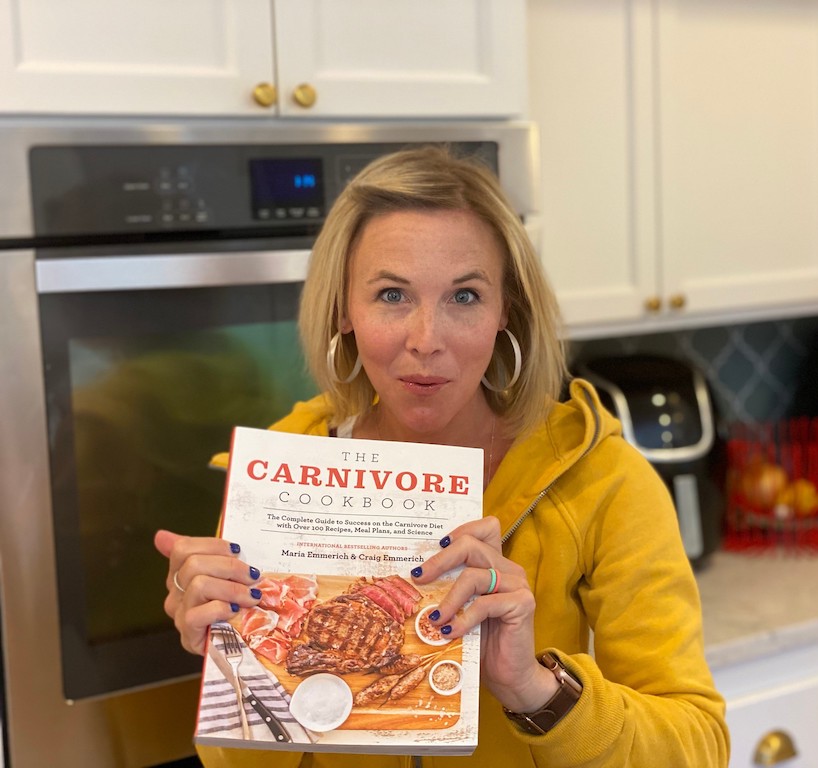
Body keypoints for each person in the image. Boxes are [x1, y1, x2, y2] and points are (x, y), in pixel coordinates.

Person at [155, 145, 729, 767]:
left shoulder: (604, 483)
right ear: (344, 310)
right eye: (392, 295)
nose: (426, 341)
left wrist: (534, 690)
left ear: (504, 310)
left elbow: (697, 747)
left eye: (464, 297)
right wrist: (233, 654)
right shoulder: (281, 479)